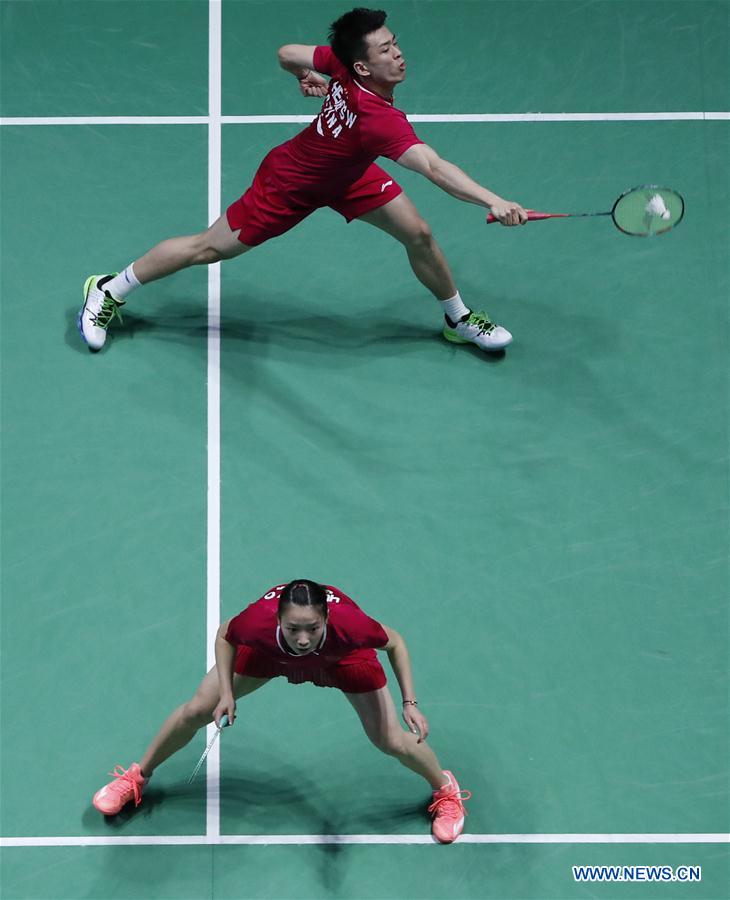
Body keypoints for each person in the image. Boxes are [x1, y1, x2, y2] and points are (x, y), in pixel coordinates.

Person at [79, 7, 527, 356]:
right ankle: (108, 289)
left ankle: (458, 319)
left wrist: (307, 74)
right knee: (208, 248)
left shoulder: (341, 64)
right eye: (386, 50)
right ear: (363, 67)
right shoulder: (379, 119)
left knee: (420, 235)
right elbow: (433, 167)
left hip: (350, 171)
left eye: (395, 43)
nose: (398, 54)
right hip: (292, 182)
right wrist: (494, 200)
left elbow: (286, 53)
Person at [92, 579, 472, 843]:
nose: (303, 638)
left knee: (391, 740)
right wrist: (226, 693)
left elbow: (396, 643)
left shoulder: (352, 628)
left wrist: (410, 702)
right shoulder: (257, 623)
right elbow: (226, 635)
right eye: (293, 628)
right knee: (196, 709)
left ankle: (446, 791)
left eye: (312, 627)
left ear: (326, 618)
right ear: (278, 620)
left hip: (342, 660)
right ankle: (137, 778)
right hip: (269, 657)